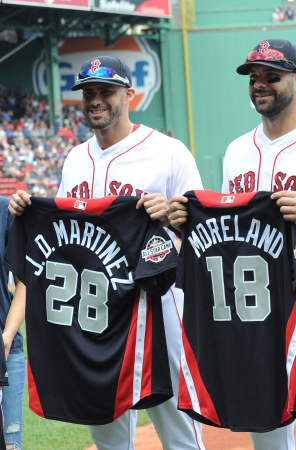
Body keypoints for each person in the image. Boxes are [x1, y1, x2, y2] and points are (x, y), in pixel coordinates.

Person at [168, 38, 296, 450]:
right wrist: (182, 223)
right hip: (255, 311)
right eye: (253, 77)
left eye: (272, 76)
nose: (260, 84)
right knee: (265, 435)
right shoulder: (237, 151)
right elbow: (228, 235)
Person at [8, 56, 205, 450]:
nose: (95, 100)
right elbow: (60, 243)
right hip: (95, 314)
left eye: (106, 91)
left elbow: (200, 237)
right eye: (88, 93)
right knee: (107, 434)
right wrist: (27, 209)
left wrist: (169, 219)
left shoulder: (168, 152)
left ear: (129, 95)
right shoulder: (75, 159)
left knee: (178, 434)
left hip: (158, 309)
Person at [0, 195, 25, 450]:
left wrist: (6, 337)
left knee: (10, 445)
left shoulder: (5, 210)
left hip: (7, 350)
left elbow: (24, 283)